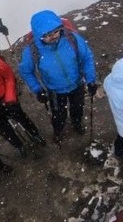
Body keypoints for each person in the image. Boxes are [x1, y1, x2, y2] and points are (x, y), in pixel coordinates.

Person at [18, 10, 98, 143]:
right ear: (39, 35)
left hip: (77, 84)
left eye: (56, 32)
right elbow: (26, 71)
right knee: (58, 115)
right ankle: (58, 131)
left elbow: (86, 58)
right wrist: (37, 89)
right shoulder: (32, 51)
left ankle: (76, 124)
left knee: (78, 108)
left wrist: (91, 80)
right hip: (54, 91)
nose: (54, 37)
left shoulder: (72, 39)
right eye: (47, 35)